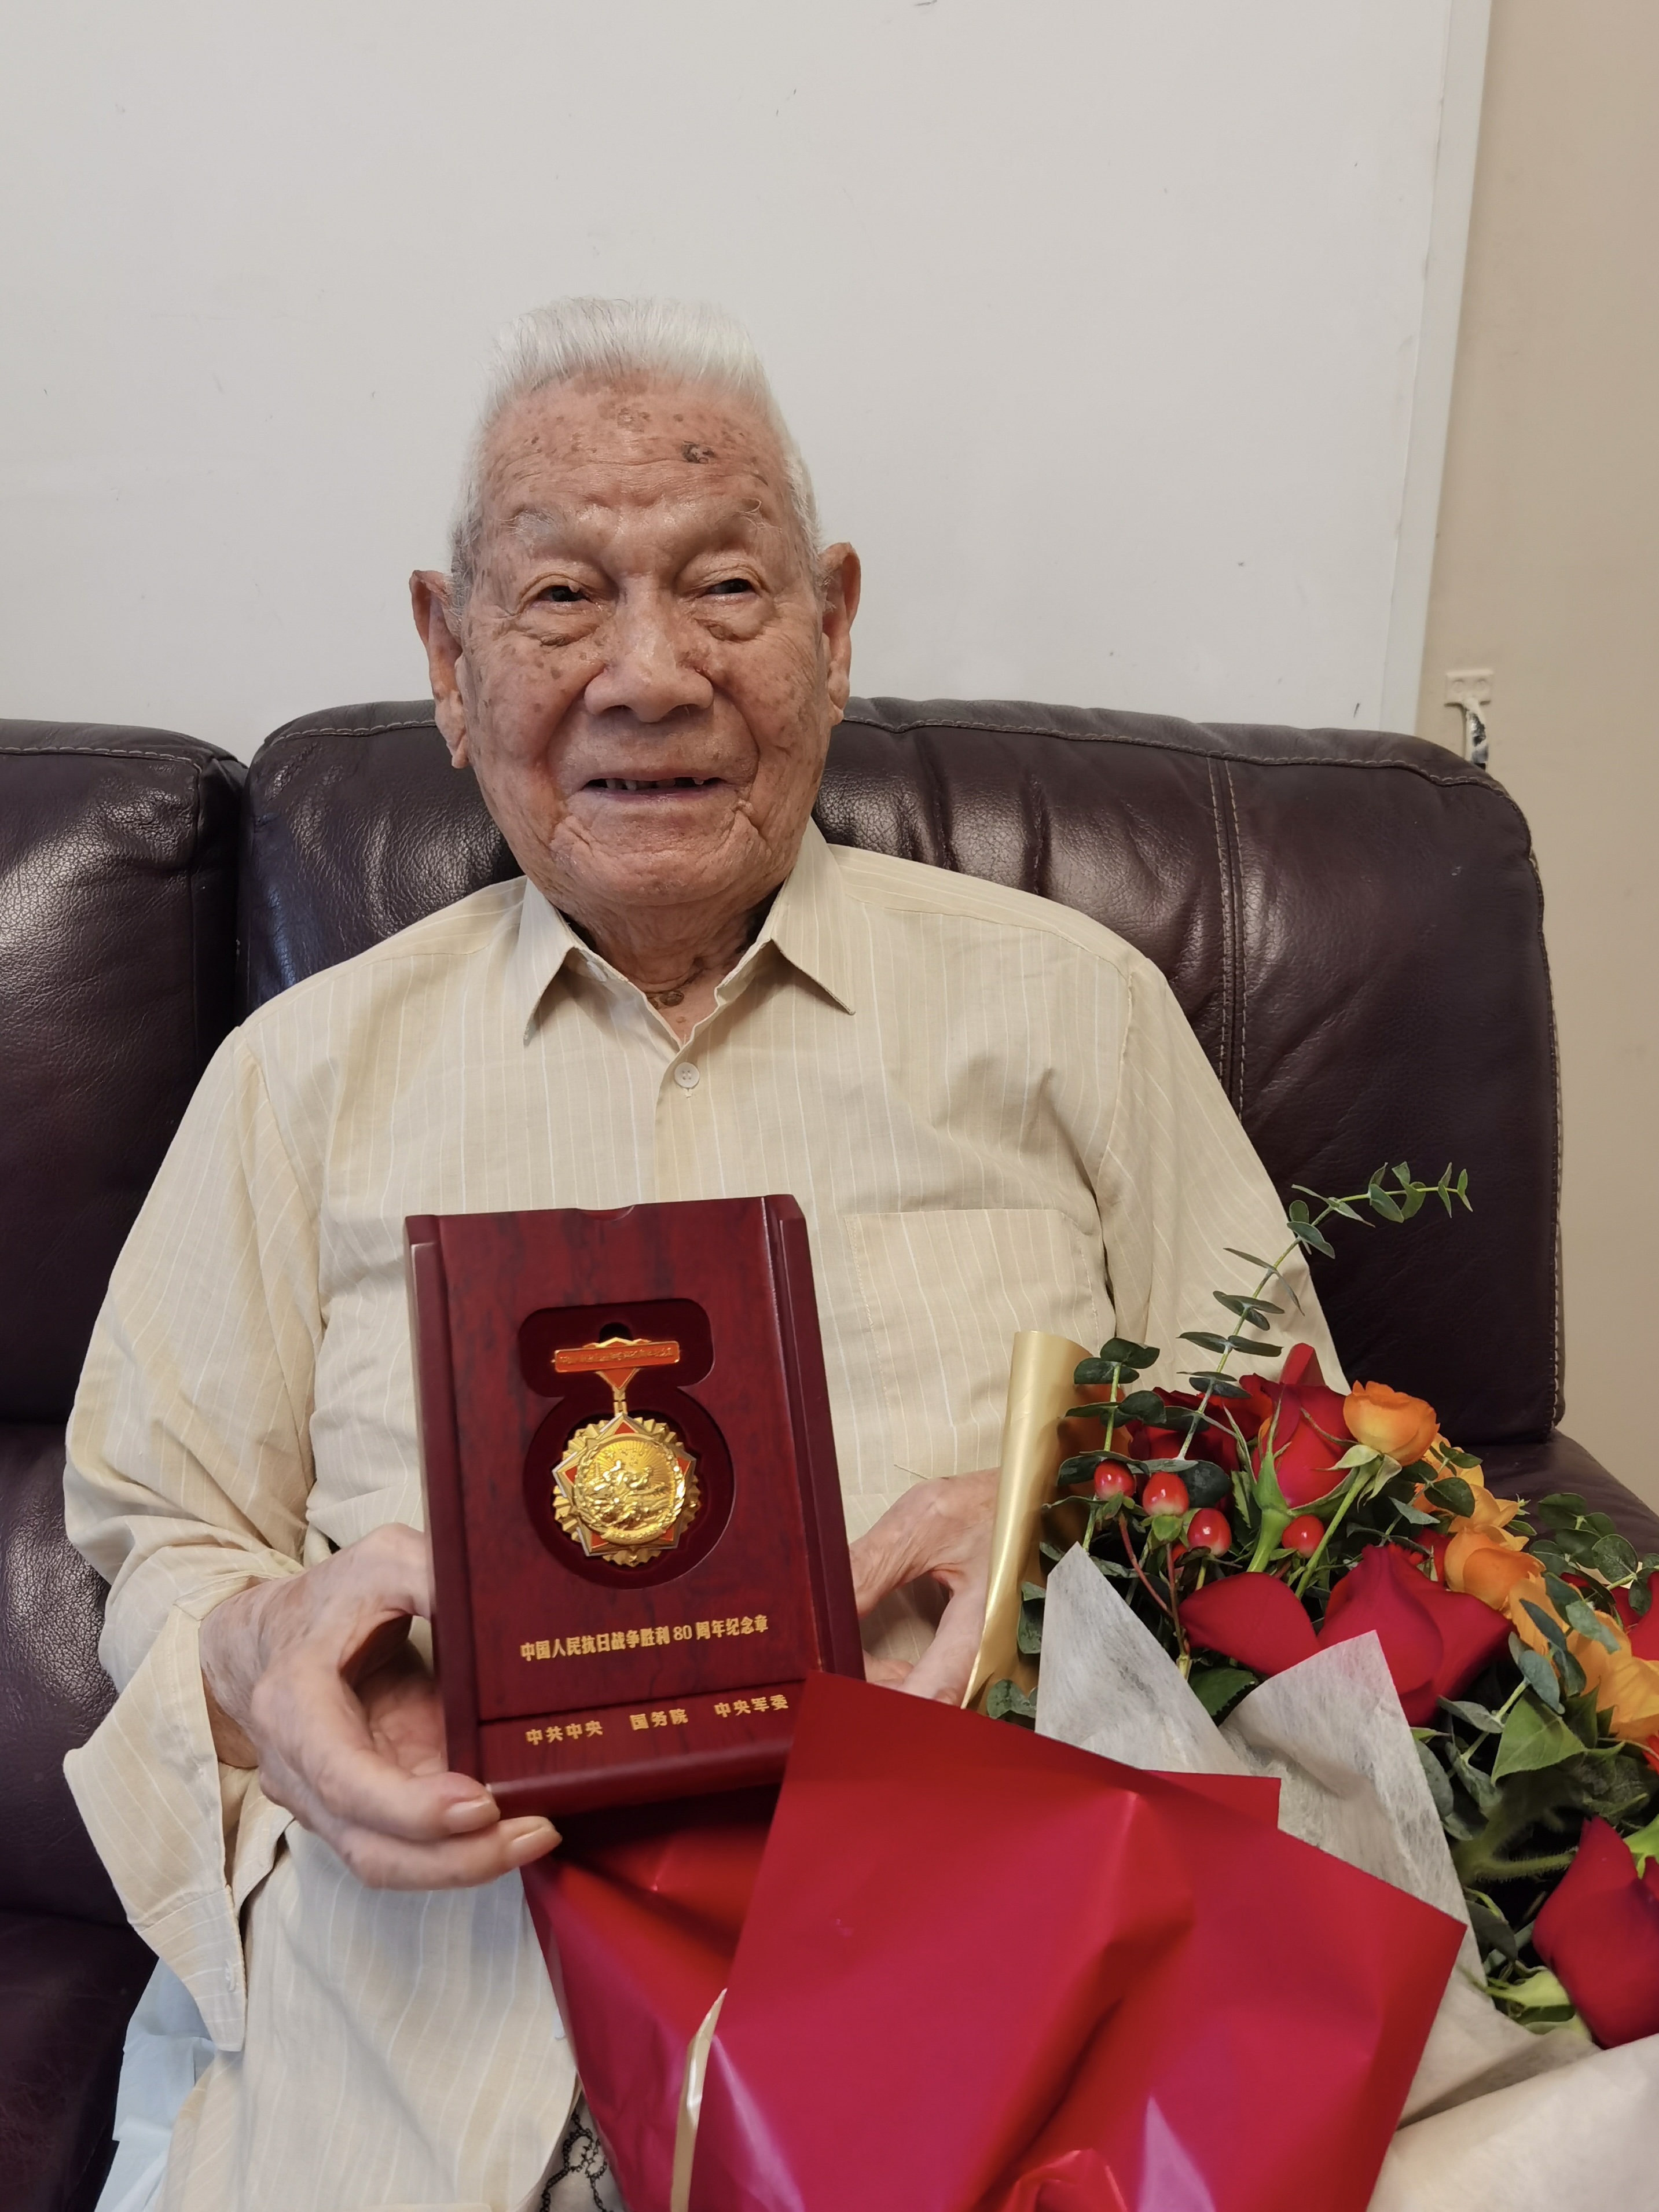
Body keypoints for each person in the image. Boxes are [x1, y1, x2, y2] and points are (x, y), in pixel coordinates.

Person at [64, 297, 1336, 2212]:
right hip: (433, 2040)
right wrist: (258, 1653)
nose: (648, 674)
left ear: (833, 623)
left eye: (725, 586)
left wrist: (1059, 1524)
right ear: (448, 656)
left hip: (977, 2043)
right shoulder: (299, 1079)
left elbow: (1311, 1476)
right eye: (561, 598)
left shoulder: (1072, 1012)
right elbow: (154, 1534)